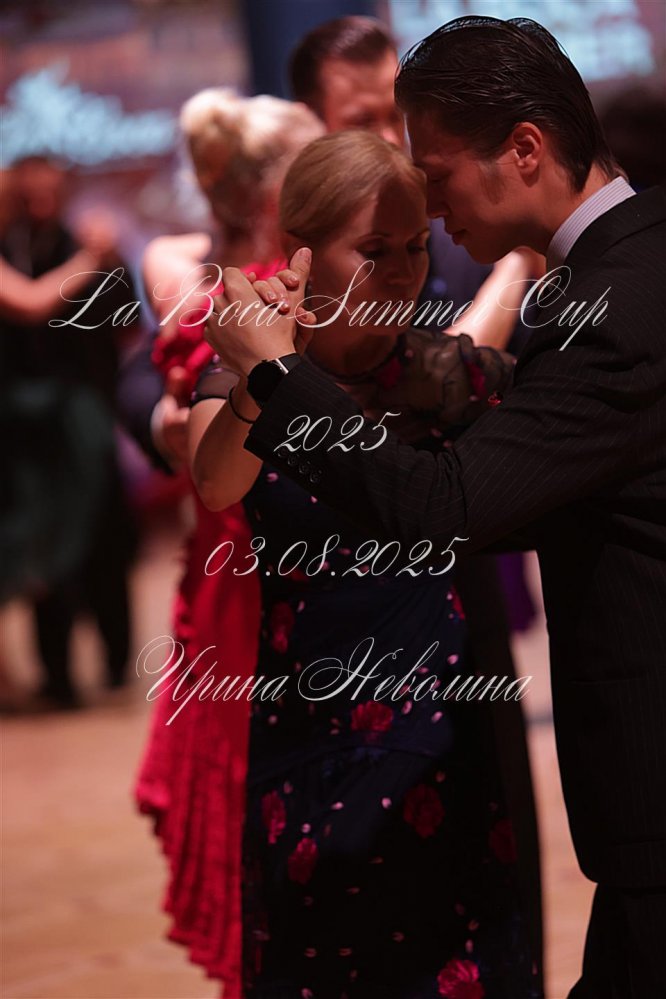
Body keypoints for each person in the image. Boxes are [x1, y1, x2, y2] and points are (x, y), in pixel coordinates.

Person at [205, 16, 666, 998]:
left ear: (526, 149)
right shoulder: (627, 268)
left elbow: (445, 506)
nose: (432, 207)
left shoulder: (608, 308)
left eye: (438, 173)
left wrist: (278, 377)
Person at [191, 129, 543, 999]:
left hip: (444, 724)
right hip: (312, 725)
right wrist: (266, 373)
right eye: (375, 251)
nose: (404, 273)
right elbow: (216, 479)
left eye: (418, 247)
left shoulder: (444, 373)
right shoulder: (246, 364)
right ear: (301, 250)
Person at [134, 90, 323, 996]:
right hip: (264, 586)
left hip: (228, 578)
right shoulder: (280, 294)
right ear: (271, 188)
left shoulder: (191, 275)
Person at [1, 156, 137, 708]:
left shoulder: (86, 245)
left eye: (48, 190)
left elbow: (126, 323)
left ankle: (114, 664)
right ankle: (55, 676)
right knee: (40, 547)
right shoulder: (29, 252)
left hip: (82, 418)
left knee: (103, 539)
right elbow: (32, 305)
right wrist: (95, 257)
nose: (38, 199)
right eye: (26, 191)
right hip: (23, 428)